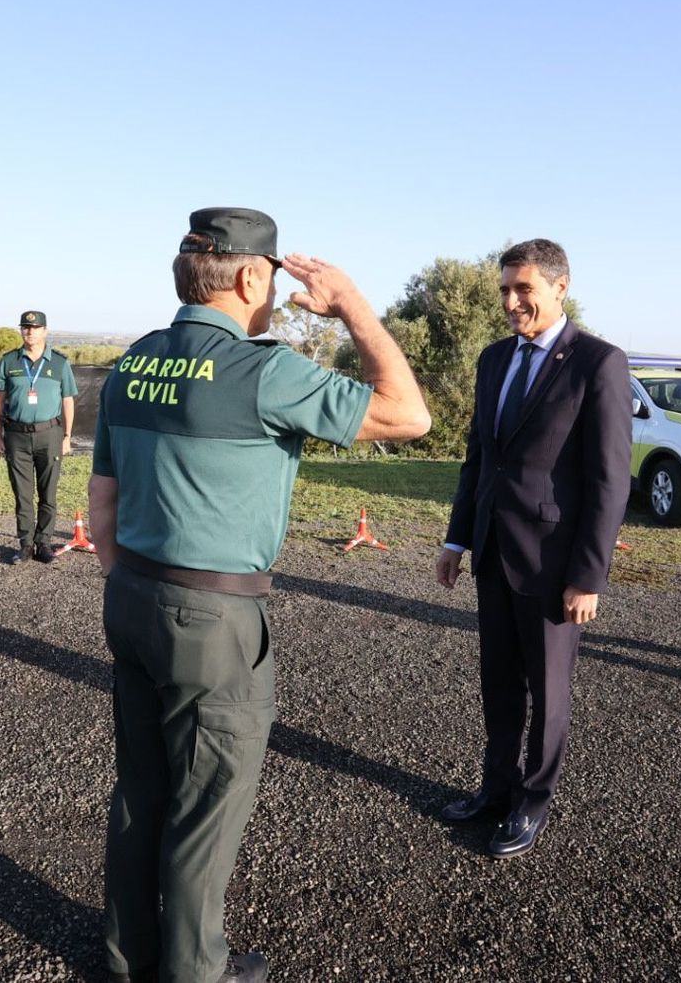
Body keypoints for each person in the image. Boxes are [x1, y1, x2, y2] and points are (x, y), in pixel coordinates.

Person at [89, 208, 428, 983]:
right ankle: (194, 971)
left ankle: (124, 955)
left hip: (132, 594)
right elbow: (409, 414)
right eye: (272, 278)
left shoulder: (135, 363)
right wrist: (351, 307)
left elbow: (101, 504)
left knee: (142, 789)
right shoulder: (263, 369)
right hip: (213, 616)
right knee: (208, 805)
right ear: (249, 276)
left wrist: (131, 584)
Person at [435, 238, 632, 859]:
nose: (512, 301)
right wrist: (456, 537)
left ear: (559, 288)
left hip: (553, 564)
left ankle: (533, 801)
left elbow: (610, 478)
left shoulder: (597, 362)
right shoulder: (494, 359)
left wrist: (588, 576)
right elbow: (479, 458)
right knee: (498, 682)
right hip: (493, 551)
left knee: (548, 691)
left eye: (524, 289)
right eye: (504, 290)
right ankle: (495, 790)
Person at [0, 310, 77, 563]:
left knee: (48, 492)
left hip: (49, 434)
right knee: (23, 494)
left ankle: (44, 543)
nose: (30, 331)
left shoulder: (59, 363)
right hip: (16, 435)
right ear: (21, 331)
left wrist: (67, 436)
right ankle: (26, 544)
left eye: (35, 327)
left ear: (45, 331)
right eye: (25, 327)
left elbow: (68, 401)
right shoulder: (9, 361)